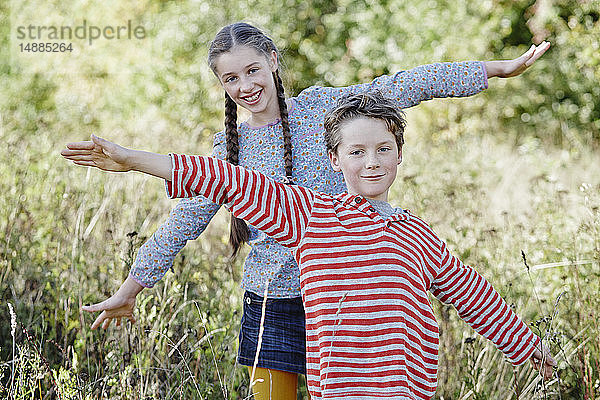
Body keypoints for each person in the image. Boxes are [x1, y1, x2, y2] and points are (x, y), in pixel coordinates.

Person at [65, 21, 550, 399]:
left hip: (349, 297)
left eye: (252, 70)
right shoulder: (229, 150)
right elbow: (182, 223)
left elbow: (403, 87)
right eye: (230, 78)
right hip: (271, 302)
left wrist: (494, 69)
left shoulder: (323, 109)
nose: (244, 85)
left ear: (273, 61)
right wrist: (131, 288)